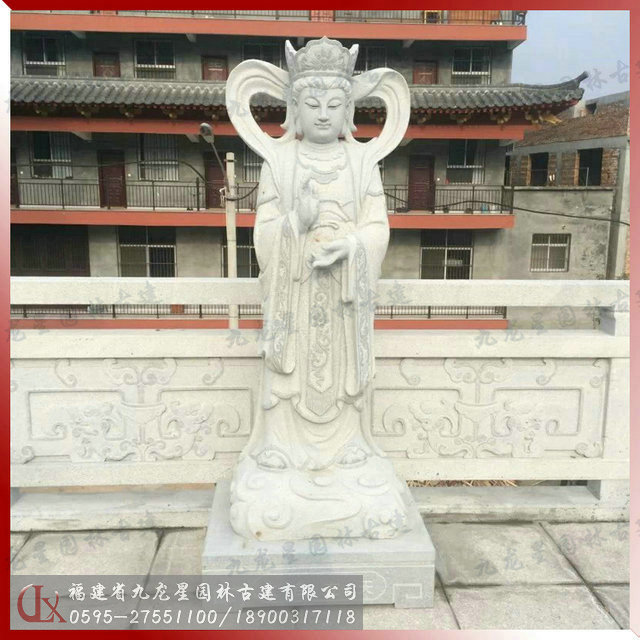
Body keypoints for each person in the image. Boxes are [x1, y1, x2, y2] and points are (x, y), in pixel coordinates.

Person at [226, 37, 412, 540]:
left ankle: (349, 453)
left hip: (345, 300)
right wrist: (296, 223)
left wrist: (351, 245)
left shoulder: (362, 164)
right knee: (287, 386)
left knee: (345, 381)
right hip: (296, 296)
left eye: (334, 104)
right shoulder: (279, 163)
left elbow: (378, 229)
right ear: (294, 108)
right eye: (312, 103)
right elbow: (263, 234)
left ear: (350, 110)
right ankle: (280, 453)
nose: (324, 114)